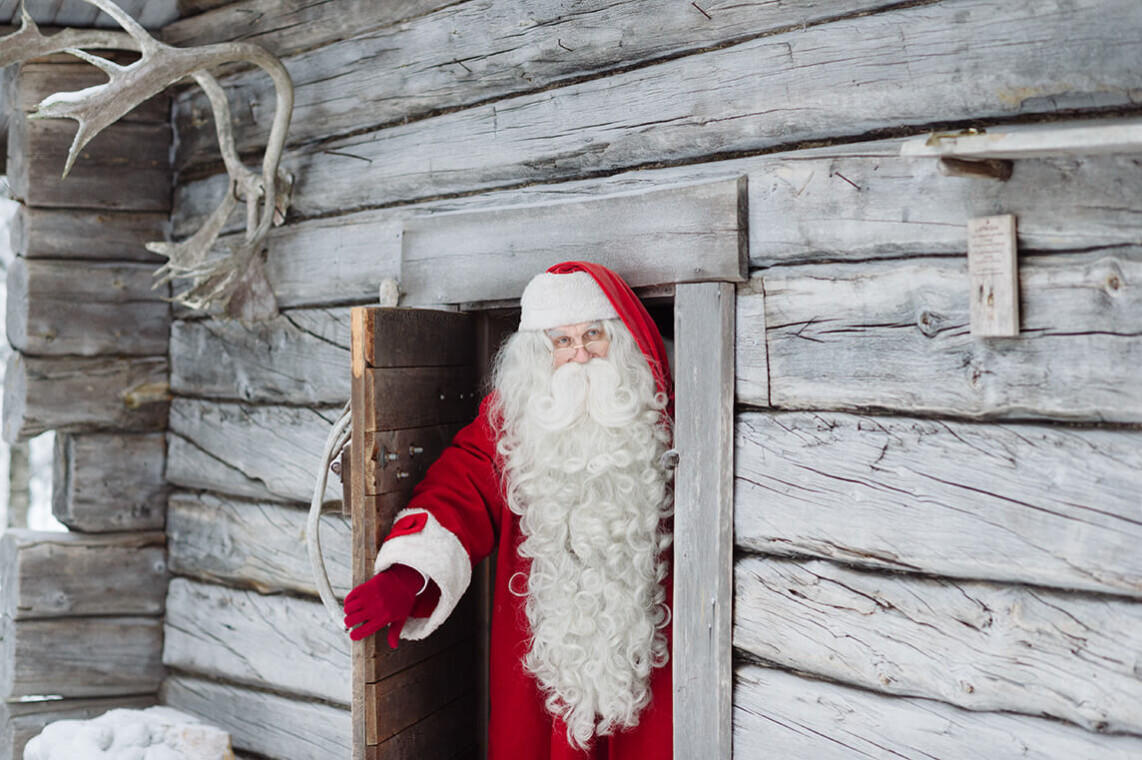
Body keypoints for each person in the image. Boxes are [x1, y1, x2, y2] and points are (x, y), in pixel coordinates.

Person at [343, 261, 674, 759]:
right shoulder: (518, 422)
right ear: (541, 353)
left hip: (652, 671)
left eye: (592, 334)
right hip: (547, 669)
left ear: (620, 340)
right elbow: (463, 483)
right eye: (561, 341)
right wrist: (410, 575)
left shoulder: (663, 422)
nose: (580, 353)